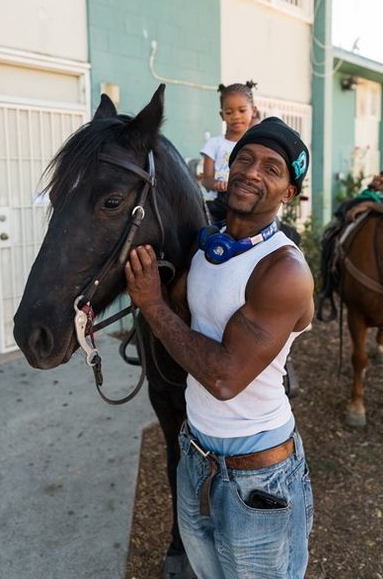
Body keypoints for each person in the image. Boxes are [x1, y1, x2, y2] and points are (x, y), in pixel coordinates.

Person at [125, 117, 314, 578]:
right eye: (245, 159)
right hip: (196, 456)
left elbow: (225, 377)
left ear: (288, 194)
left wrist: (151, 305)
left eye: (272, 169)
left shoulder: (283, 270)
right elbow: (183, 319)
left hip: (257, 475)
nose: (253, 171)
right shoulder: (211, 248)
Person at [317, 158, 383, 318]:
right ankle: (327, 286)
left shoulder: (382, 204)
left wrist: (372, 206)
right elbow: (349, 207)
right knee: (331, 232)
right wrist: (372, 189)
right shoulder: (380, 197)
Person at [200, 82, 257, 222]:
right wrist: (216, 184)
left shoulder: (255, 144)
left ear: (253, 111)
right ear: (222, 115)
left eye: (242, 110)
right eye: (229, 112)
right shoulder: (214, 144)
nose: (236, 116)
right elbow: (206, 179)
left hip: (247, 202)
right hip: (218, 205)